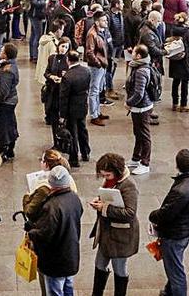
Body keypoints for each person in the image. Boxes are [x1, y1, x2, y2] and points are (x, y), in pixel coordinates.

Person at [147, 149, 189, 296]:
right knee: (174, 265)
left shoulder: (181, 190)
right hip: (185, 230)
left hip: (174, 235)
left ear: (177, 165)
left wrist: (153, 215)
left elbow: (166, 214)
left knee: (176, 272)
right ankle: (169, 291)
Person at [25, 165, 83, 296]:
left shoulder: (52, 207)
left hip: (55, 260)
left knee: (55, 291)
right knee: (68, 288)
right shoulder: (74, 198)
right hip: (71, 253)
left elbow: (44, 234)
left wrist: (31, 230)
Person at [89, 153, 139, 296]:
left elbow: (130, 212)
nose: (105, 178)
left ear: (116, 172)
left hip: (120, 237)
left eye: (107, 175)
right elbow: (108, 196)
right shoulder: (111, 181)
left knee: (120, 269)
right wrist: (99, 200)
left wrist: (104, 208)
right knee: (99, 264)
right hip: (107, 233)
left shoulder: (129, 185)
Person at [124, 44, 157, 176]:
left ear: (138, 56)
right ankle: (136, 158)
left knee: (144, 135)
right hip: (139, 107)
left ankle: (145, 163)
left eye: (134, 52)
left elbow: (139, 93)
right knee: (138, 133)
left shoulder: (141, 71)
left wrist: (129, 103)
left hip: (142, 107)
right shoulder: (138, 66)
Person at [59, 49, 93, 167]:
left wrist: (62, 115)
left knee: (72, 133)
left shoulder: (67, 77)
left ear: (68, 61)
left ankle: (74, 158)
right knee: (82, 130)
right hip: (82, 105)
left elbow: (64, 97)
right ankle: (85, 153)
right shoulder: (86, 71)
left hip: (71, 109)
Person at [166, 13, 189, 114]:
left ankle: (174, 103)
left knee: (175, 82)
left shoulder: (172, 30)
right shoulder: (188, 32)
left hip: (175, 59)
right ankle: (183, 104)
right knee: (185, 83)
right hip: (186, 60)